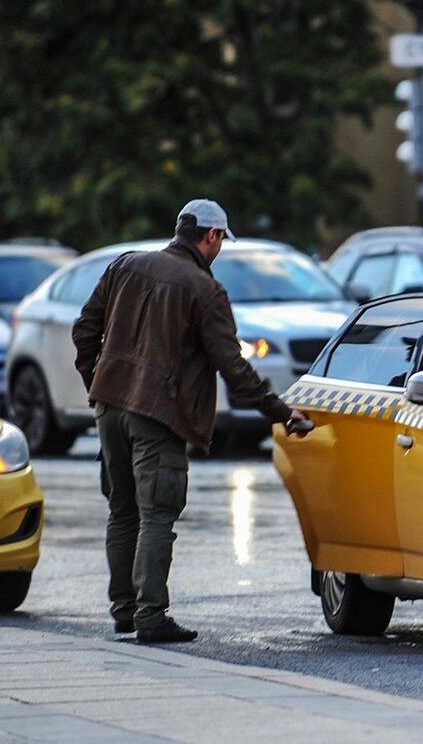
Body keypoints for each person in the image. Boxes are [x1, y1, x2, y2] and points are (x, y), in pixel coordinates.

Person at [72, 199, 309, 644]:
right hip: (159, 413)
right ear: (212, 236)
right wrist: (281, 413)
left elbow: (84, 329)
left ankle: (124, 610)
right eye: (221, 241)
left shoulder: (125, 266)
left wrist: (98, 380)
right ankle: (150, 616)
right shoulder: (205, 289)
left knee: (122, 510)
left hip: (109, 404)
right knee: (157, 513)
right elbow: (233, 367)